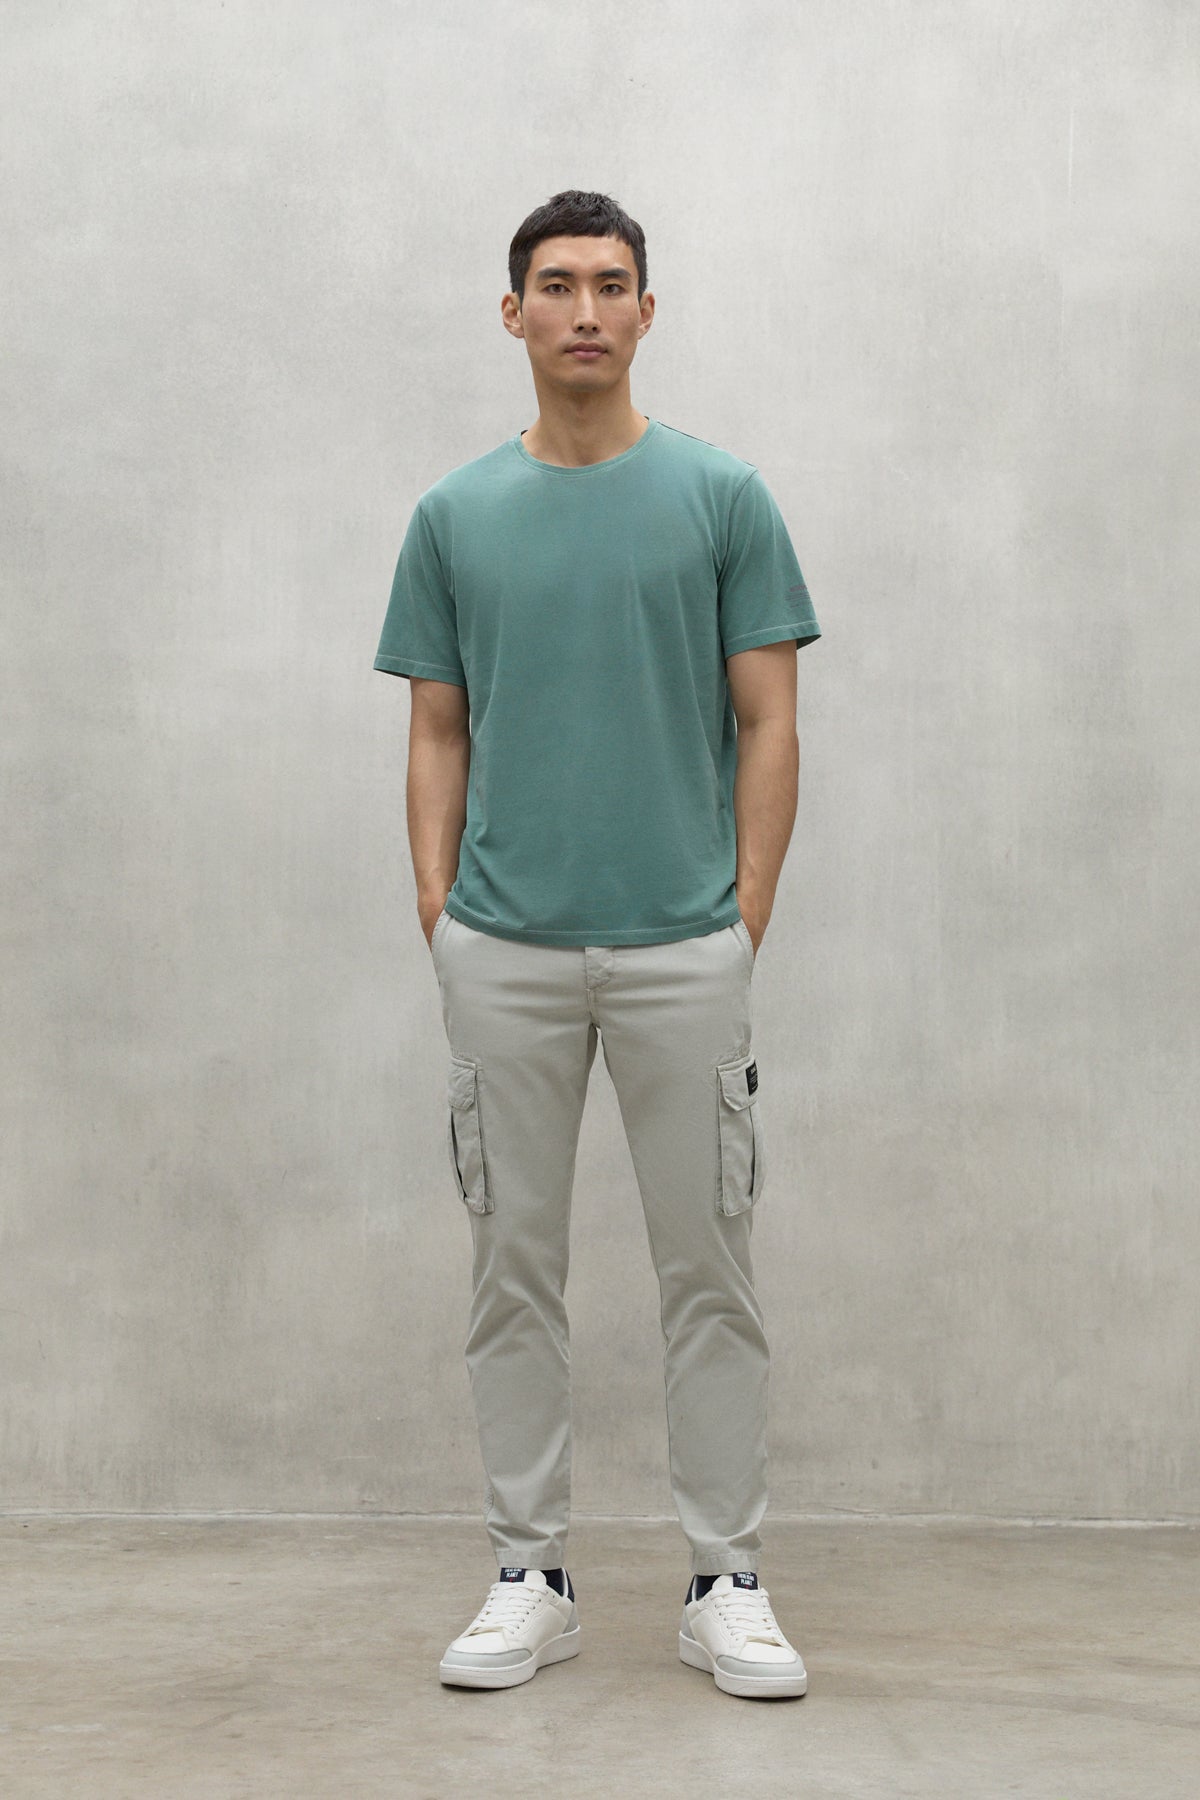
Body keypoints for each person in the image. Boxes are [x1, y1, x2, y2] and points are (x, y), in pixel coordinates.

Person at [373, 190, 820, 1699]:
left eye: (610, 284)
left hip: (684, 947)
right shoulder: (453, 516)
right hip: (501, 949)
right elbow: (437, 726)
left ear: (646, 311)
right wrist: (439, 909)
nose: (584, 310)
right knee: (513, 1268)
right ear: (513, 314)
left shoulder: (723, 497)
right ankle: (531, 1575)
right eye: (556, 285)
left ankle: (725, 1580)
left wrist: (741, 915)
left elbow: (770, 720)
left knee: (712, 1272)